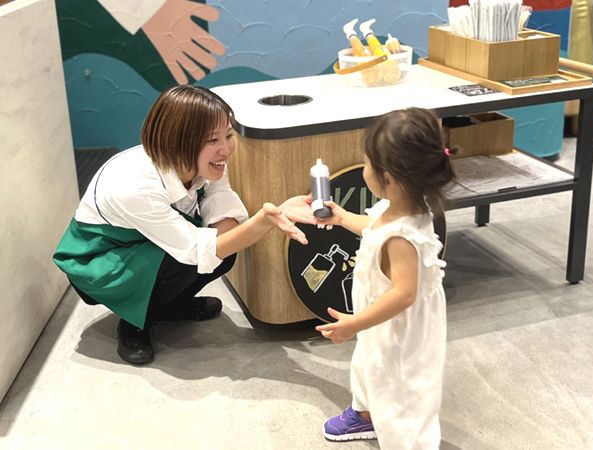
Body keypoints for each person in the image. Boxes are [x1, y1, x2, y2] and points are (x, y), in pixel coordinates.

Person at [53, 85, 314, 365]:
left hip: (147, 242)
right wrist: (264, 221)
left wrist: (223, 239)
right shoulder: (135, 187)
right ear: (177, 142)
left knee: (222, 251)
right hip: (100, 258)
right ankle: (135, 323)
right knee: (185, 261)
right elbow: (193, 250)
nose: (226, 148)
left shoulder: (203, 160)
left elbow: (219, 196)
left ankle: (170, 306)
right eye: (213, 139)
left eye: (228, 135)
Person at [313, 108, 456, 449]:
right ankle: (365, 414)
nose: (364, 169)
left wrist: (355, 323)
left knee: (400, 394)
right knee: (369, 364)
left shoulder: (401, 238)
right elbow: (374, 227)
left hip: (399, 331)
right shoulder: (399, 206)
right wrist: (343, 218)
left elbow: (404, 294)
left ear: (388, 177)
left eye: (366, 163)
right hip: (380, 322)